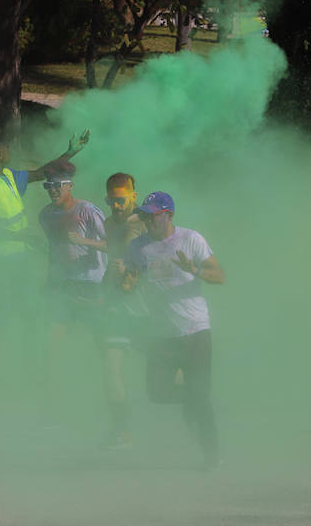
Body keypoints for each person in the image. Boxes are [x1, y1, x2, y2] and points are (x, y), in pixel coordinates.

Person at [121, 192, 225, 470]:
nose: (148, 220)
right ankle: (196, 396)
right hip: (160, 334)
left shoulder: (191, 239)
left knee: (200, 399)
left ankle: (212, 456)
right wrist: (126, 284)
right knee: (157, 392)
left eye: (153, 215)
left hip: (195, 332)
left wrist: (194, 270)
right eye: (145, 215)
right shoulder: (137, 247)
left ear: (168, 216)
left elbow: (219, 276)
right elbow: (129, 282)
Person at [67, 173, 146, 448]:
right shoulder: (110, 224)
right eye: (111, 200)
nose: (116, 205)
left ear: (134, 196)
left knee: (164, 368)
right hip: (116, 306)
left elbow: (164, 259)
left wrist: (133, 271)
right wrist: (103, 294)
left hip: (147, 308)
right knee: (110, 367)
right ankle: (121, 429)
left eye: (122, 200)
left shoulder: (148, 224)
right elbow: (112, 254)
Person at [37, 161, 107, 426]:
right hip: (61, 286)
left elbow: (111, 244)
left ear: (70, 185)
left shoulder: (87, 210)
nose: (52, 190)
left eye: (56, 185)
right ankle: (51, 403)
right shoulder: (45, 215)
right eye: (48, 186)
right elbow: (53, 251)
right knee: (50, 343)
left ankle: (105, 393)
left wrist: (85, 242)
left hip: (91, 284)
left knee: (100, 343)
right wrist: (48, 281)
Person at [0, 130, 90, 256]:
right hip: (4, 255)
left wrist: (70, 153)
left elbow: (40, 173)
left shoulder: (8, 174)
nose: (10, 151)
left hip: (20, 249)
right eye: (7, 148)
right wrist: (22, 237)